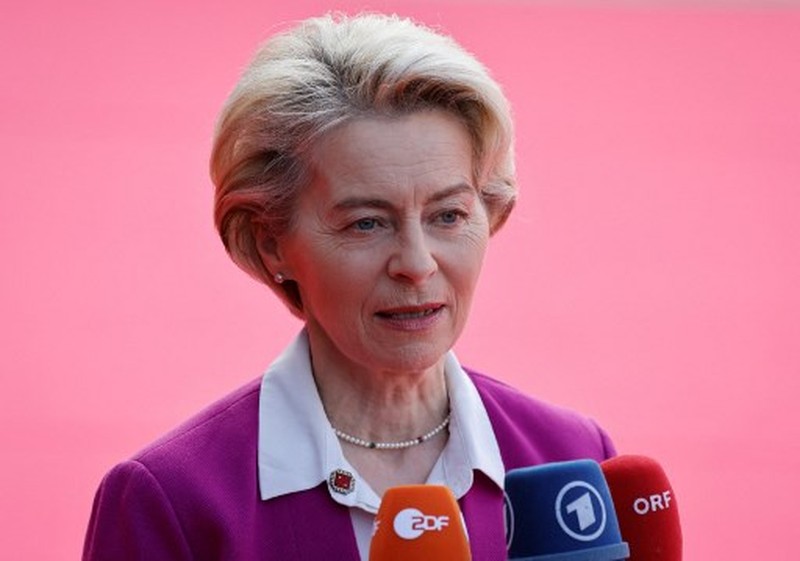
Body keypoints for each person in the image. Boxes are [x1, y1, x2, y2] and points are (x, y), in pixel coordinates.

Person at [83, 13, 616, 561]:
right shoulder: (172, 499)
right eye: (367, 222)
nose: (416, 263)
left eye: (449, 215)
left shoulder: (571, 457)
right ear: (272, 244)